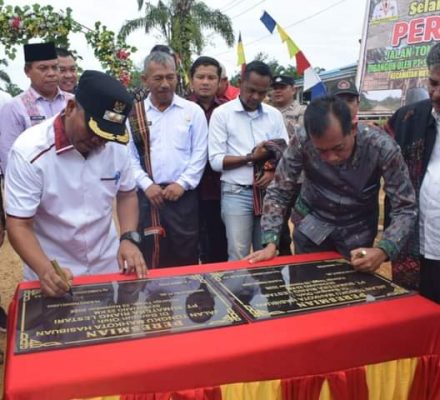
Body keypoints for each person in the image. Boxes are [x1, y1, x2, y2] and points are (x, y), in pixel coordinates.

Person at [5, 70, 146, 297]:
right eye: (93, 130)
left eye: (108, 135)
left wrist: (128, 238)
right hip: (57, 272)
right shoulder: (30, 152)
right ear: (70, 108)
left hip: (106, 266)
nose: (99, 141)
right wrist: (45, 269)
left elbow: (127, 194)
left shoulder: (115, 146)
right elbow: (19, 224)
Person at [247, 96, 417, 276]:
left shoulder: (381, 147)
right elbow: (279, 190)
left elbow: (405, 207)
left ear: (353, 129)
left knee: (352, 289)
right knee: (306, 286)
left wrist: (383, 250)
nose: (331, 158)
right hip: (311, 226)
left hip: (357, 233)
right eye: (320, 151)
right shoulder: (302, 139)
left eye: (338, 148)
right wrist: (271, 241)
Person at [128, 51, 208, 268]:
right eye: (158, 78)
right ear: (145, 79)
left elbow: (200, 153)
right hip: (148, 198)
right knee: (150, 254)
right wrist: (146, 185)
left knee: (186, 252)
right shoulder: (134, 114)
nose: (165, 84)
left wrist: (182, 184)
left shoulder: (193, 111)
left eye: (170, 77)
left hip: (183, 198)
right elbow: (128, 157)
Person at [209, 60, 288, 260]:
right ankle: (238, 283)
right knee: (237, 254)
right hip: (236, 192)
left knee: (267, 252)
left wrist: (271, 171)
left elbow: (285, 152)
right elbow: (216, 161)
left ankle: (264, 283)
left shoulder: (274, 115)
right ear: (240, 83)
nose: (256, 97)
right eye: (251, 90)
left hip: (269, 194)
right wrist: (252, 158)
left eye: (262, 92)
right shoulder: (222, 114)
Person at [384, 42, 440, 302]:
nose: (436, 94)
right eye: (433, 83)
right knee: (416, 316)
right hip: (415, 250)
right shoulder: (406, 119)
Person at [0, 42, 72, 173]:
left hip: (72, 177)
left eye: (55, 67)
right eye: (43, 68)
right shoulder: (14, 108)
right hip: (33, 179)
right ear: (27, 71)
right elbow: (8, 155)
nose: (51, 73)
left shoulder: (73, 102)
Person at [188, 56, 228, 263]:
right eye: (200, 77)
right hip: (187, 190)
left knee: (218, 242)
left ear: (219, 81)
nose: (205, 82)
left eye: (211, 78)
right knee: (188, 244)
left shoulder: (228, 110)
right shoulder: (181, 109)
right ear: (191, 80)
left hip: (219, 189)